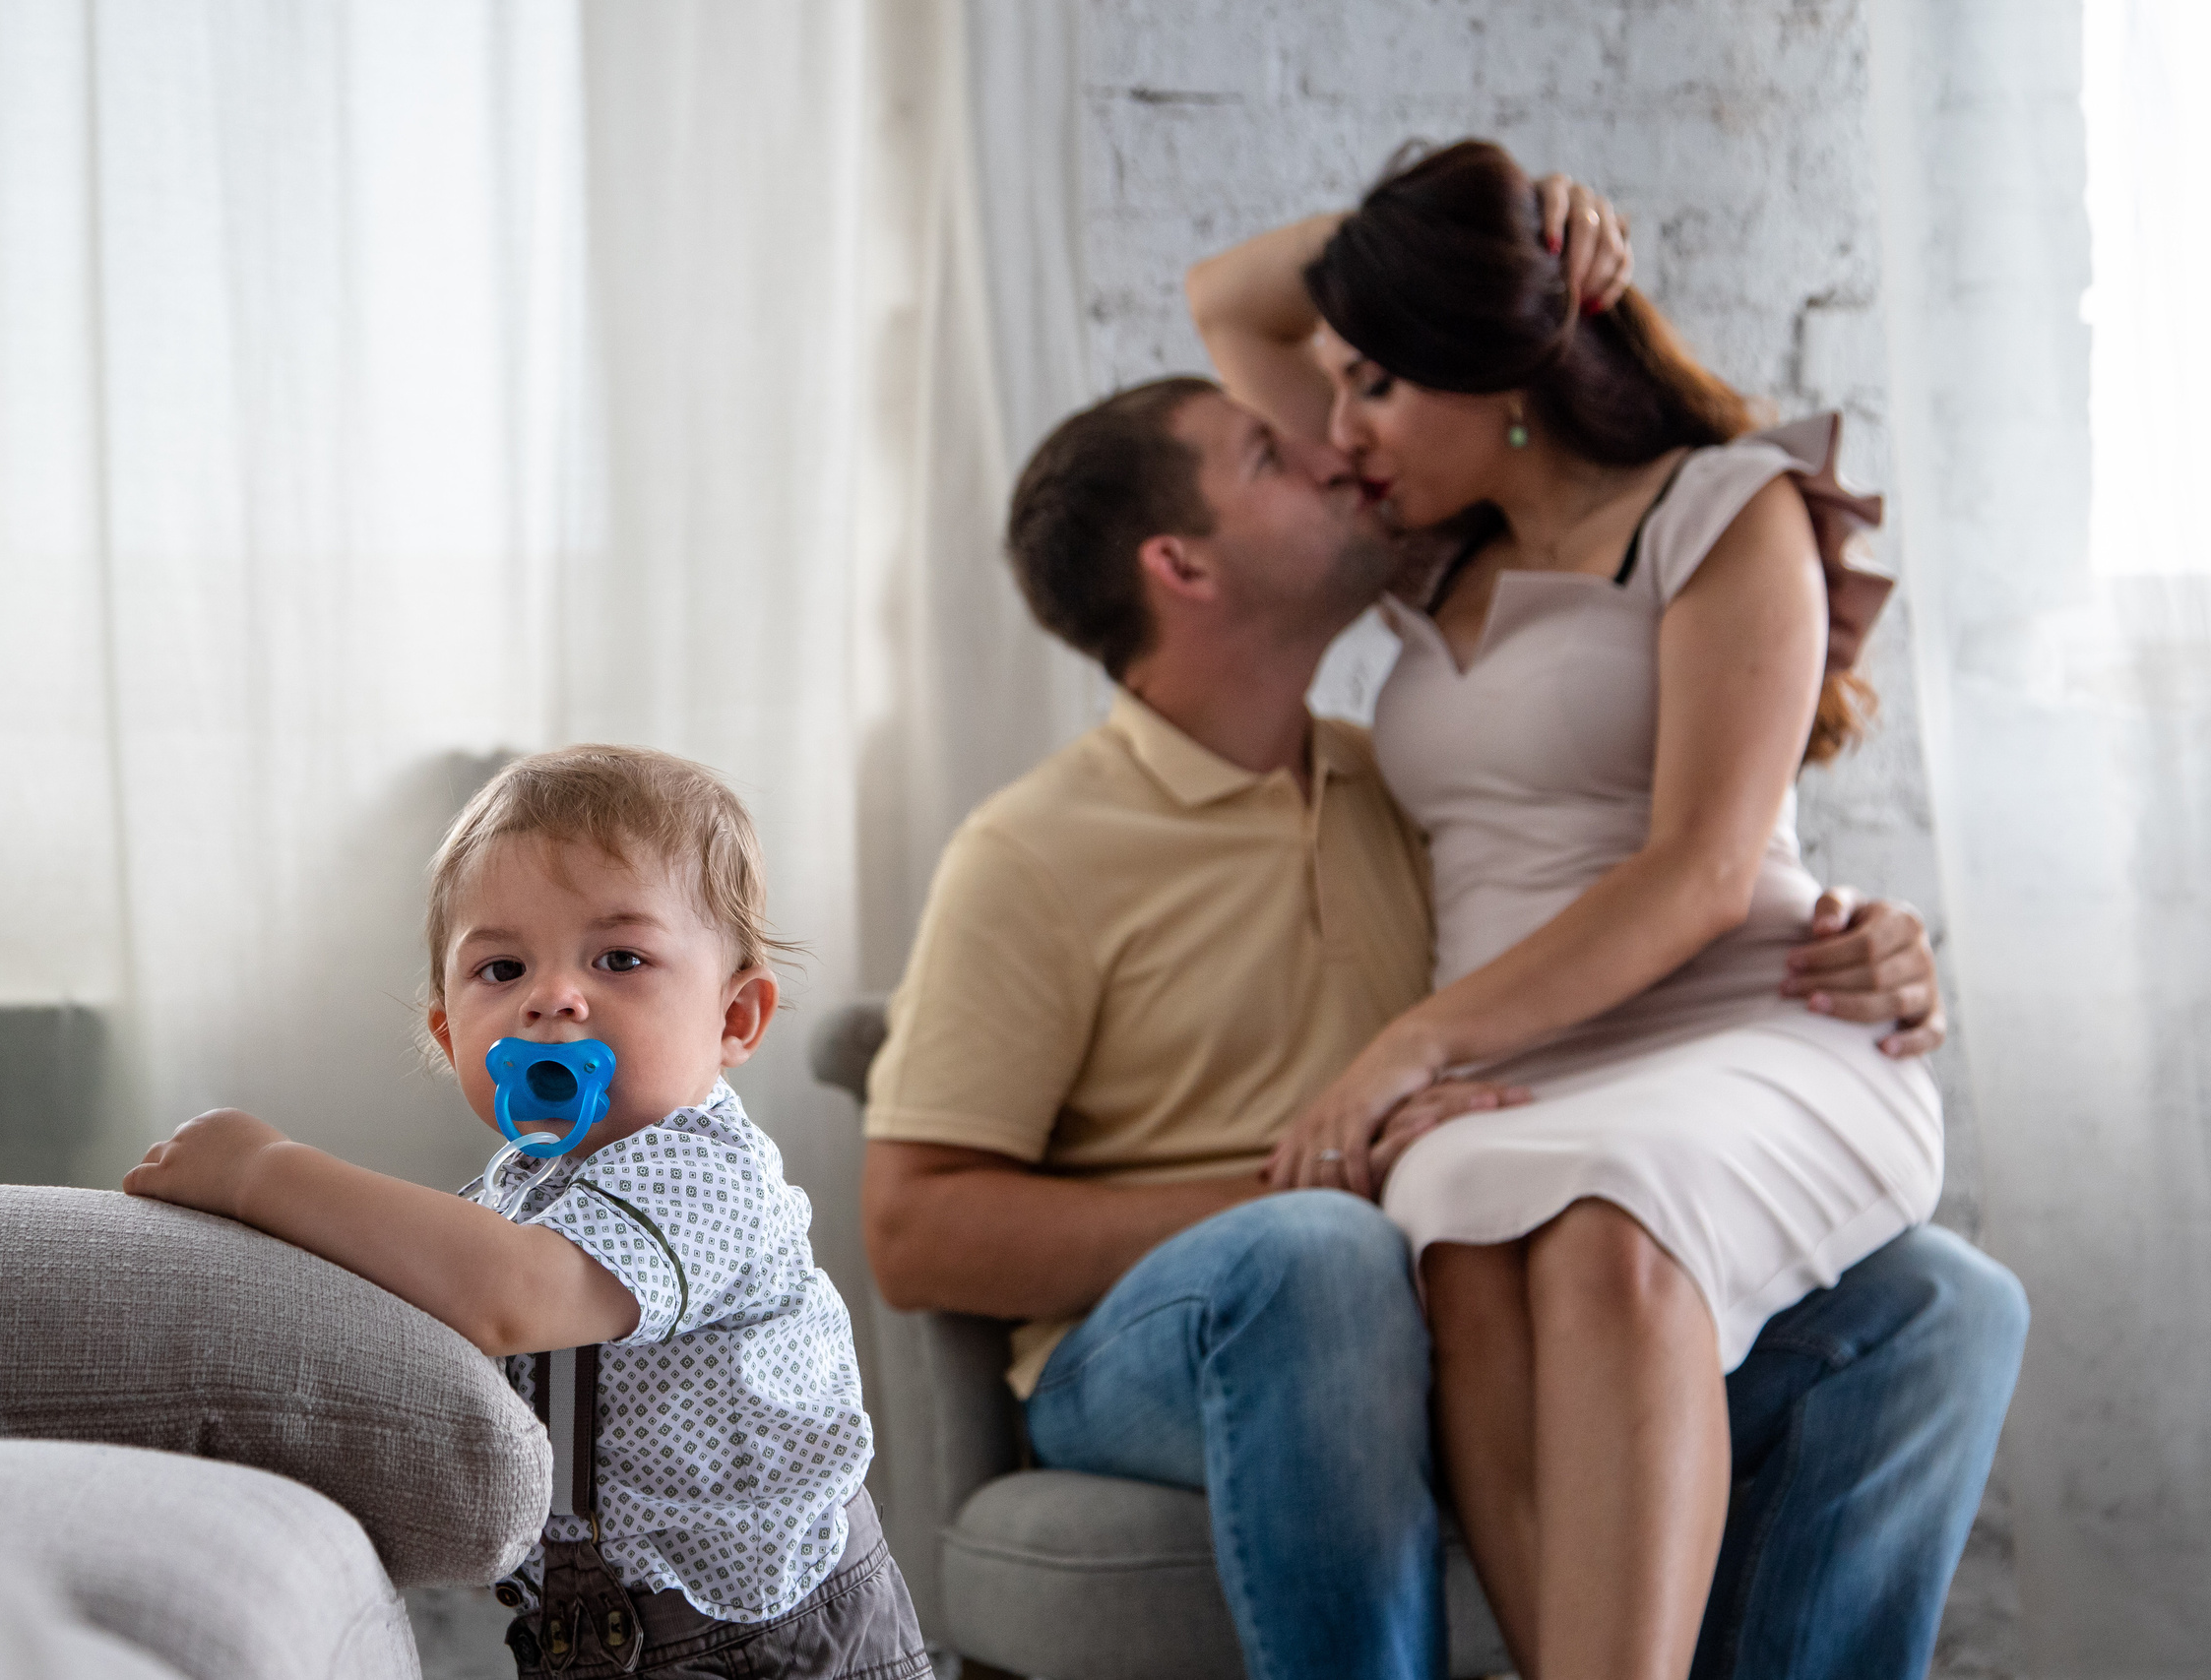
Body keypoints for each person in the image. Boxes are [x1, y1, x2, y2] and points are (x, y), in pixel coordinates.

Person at [862, 191, 2024, 1680]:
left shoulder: (1401, 787)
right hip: (1194, 1318)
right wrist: (1312, 1178)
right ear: (1182, 566)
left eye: (1368, 386)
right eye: (1278, 450)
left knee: (1944, 1299)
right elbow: (910, 1233)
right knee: (1331, 1252)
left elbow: (1642, 864)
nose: (1336, 443)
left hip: (1492, 1197)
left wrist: (1517, 237)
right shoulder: (1033, 848)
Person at [1195, 137, 1971, 1680]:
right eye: (1340, 386)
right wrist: (1519, 228)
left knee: (1610, 1217)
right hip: (1516, 1068)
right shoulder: (1426, 546)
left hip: (1758, 1020)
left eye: (1377, 382)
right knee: (1466, 1220)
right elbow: (1232, 300)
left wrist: (1407, 1046)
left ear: (1498, 365)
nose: (1340, 430)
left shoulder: (1725, 508)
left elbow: (1699, 873)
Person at [126, 745, 929, 1680]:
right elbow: (435, 1306)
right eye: (502, 968)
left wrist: (265, 1173)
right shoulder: (518, 1192)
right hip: (591, 1633)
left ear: (734, 1018)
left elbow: (512, 1295)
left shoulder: (709, 1173)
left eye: (620, 958)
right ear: (448, 1033)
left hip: (775, 1637)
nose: (553, 997)